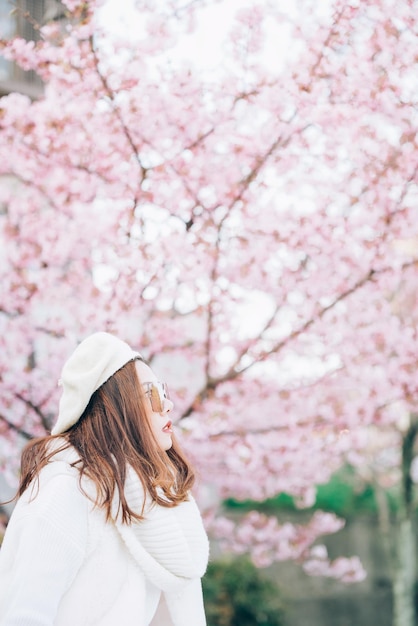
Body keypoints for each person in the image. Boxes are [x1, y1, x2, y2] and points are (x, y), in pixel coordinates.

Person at [0, 332, 209, 626]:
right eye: (153, 394)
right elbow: (24, 615)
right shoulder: (67, 489)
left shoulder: (158, 502)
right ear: (118, 406)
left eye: (165, 393)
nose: (168, 405)